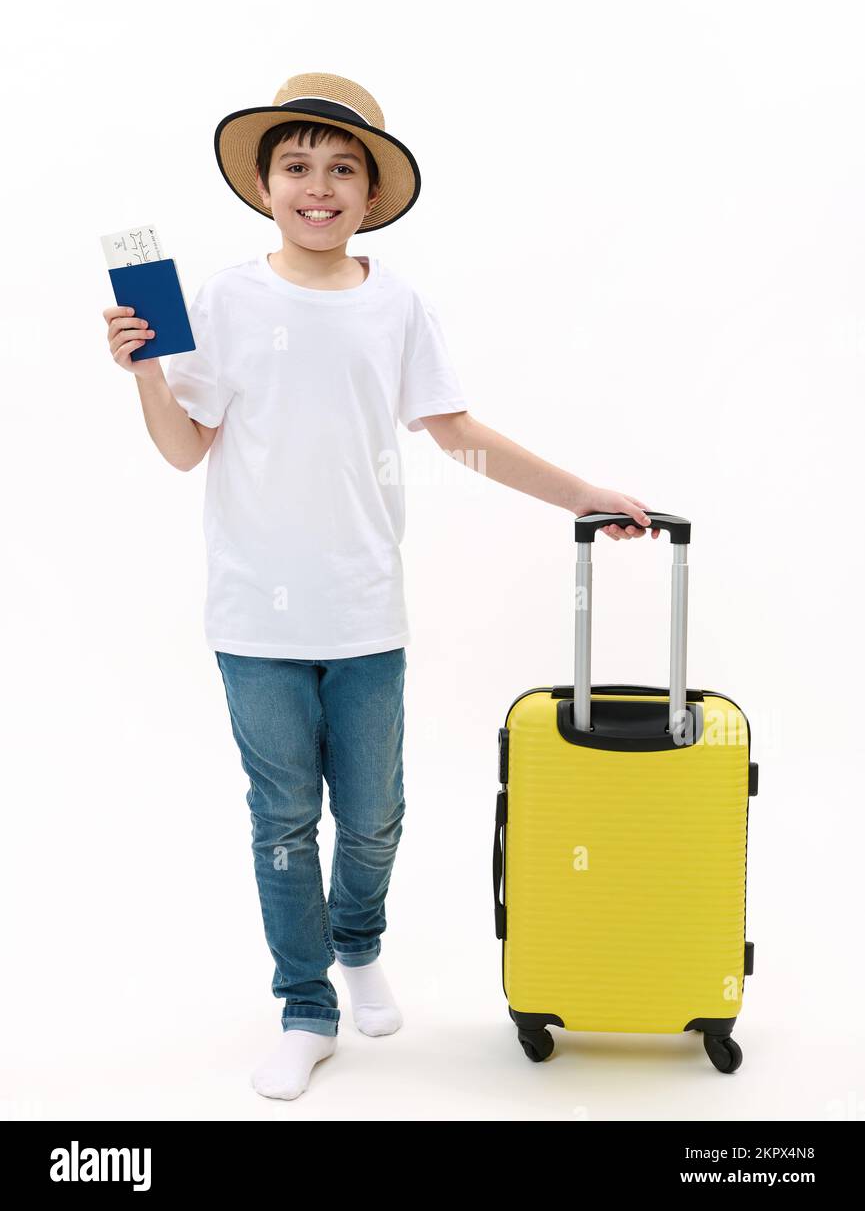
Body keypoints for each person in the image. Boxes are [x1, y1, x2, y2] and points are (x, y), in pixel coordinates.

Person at [103, 71, 659, 1101]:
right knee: (281, 822)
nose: (318, 186)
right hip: (252, 617)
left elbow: (455, 432)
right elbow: (187, 449)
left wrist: (580, 492)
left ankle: (359, 942)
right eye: (297, 166)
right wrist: (145, 371)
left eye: (341, 169)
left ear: (370, 192)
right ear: (264, 183)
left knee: (371, 815)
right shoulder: (224, 299)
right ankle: (305, 1003)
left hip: (363, 613)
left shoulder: (398, 304)